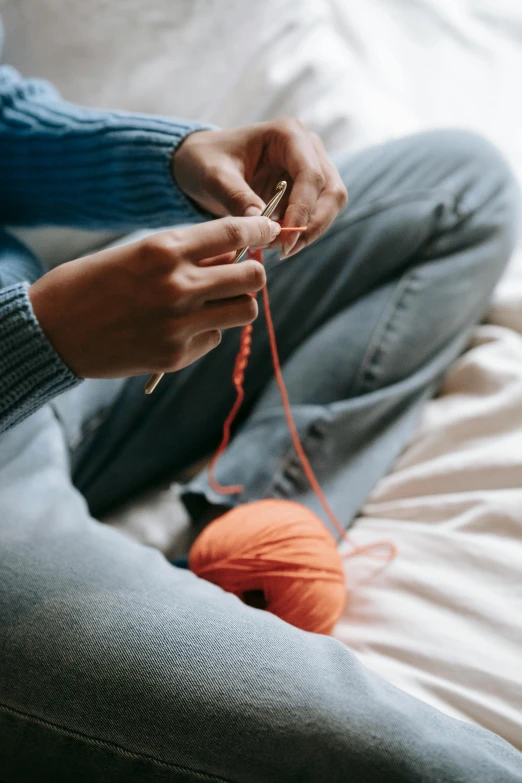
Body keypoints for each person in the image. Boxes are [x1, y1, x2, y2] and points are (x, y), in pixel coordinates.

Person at [0, 52, 521, 781]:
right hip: (31, 362)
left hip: (50, 336)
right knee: (437, 766)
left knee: (456, 186)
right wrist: (38, 336)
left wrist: (179, 158)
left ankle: (245, 546)